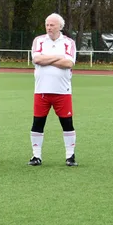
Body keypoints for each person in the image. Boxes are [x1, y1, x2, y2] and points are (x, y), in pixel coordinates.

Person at [27, 13, 78, 167]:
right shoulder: (39, 41)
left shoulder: (69, 42)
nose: (49, 27)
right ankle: (36, 156)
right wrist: (58, 57)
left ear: (60, 27)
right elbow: (37, 59)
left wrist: (47, 59)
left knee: (67, 123)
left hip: (63, 91)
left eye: (52, 25)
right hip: (41, 90)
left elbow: (69, 63)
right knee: (38, 123)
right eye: (47, 24)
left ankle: (70, 156)